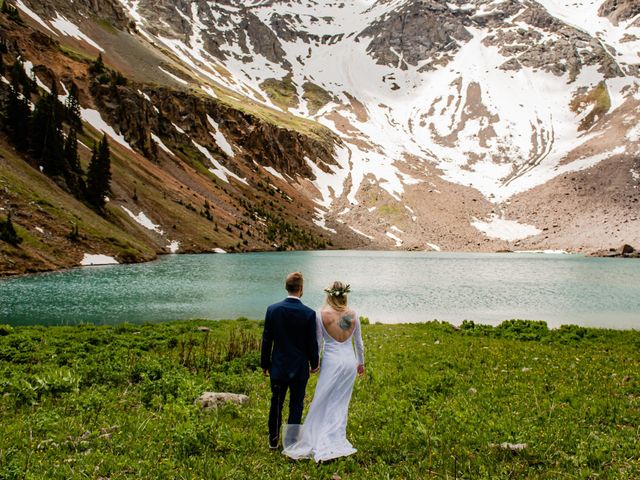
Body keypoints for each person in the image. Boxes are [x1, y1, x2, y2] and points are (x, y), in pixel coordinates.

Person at [282, 281, 365, 462]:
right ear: (344, 295)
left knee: (322, 398)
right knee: (340, 401)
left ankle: (319, 438)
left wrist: (315, 362)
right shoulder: (352, 315)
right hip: (349, 362)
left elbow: (318, 342)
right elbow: (358, 343)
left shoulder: (322, 315)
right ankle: (334, 437)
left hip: (332, 362)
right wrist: (361, 363)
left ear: (329, 295)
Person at [261, 272, 319, 450]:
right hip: (299, 368)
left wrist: (265, 364)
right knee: (296, 404)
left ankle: (273, 440)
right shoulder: (309, 313)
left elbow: (267, 339)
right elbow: (312, 343)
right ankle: (291, 442)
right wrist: (314, 362)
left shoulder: (273, 310)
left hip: (278, 366)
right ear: (301, 289)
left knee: (276, 403)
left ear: (286, 287)